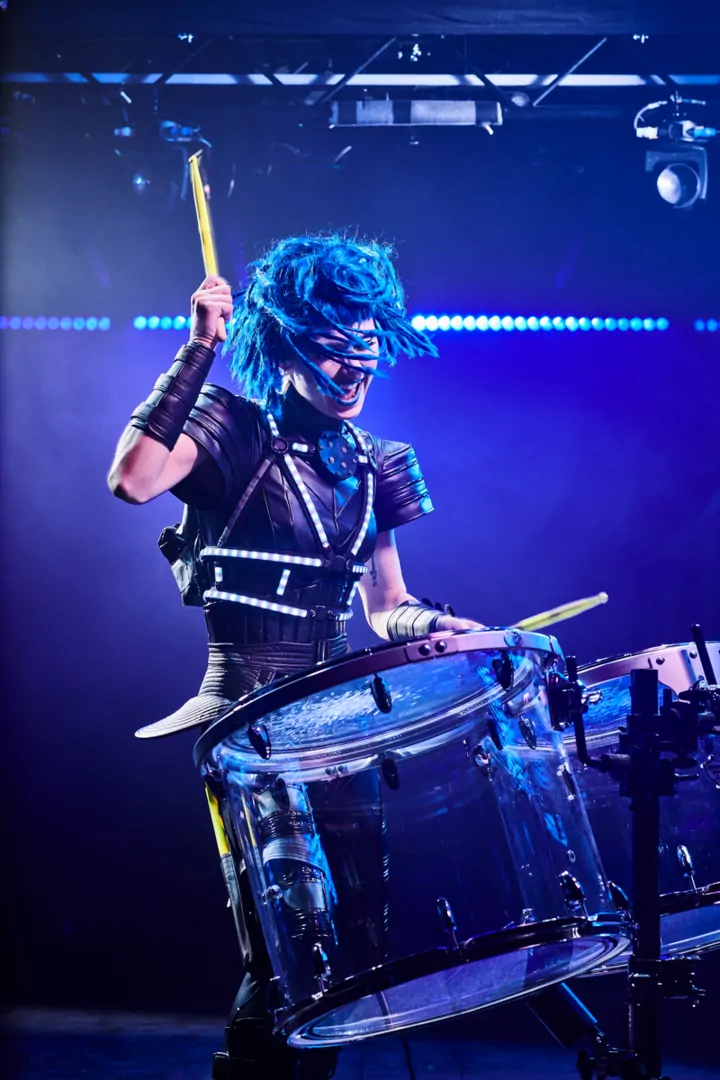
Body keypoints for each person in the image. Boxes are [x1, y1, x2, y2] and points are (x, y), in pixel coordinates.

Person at [108, 233, 481, 1079]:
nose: (354, 374)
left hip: (337, 719)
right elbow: (132, 479)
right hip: (248, 717)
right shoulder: (231, 428)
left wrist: (434, 625)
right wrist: (198, 349)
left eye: (366, 352)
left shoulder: (375, 462)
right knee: (290, 935)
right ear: (285, 347)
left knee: (359, 942)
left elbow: (384, 605)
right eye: (333, 353)